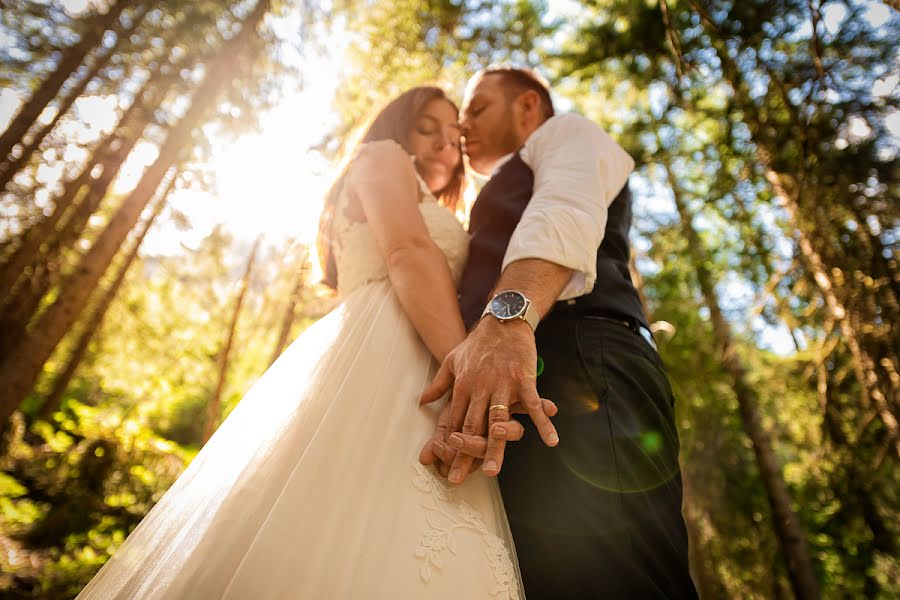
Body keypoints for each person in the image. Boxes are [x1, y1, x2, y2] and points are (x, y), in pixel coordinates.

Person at [76, 86, 544, 599]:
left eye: (453, 138)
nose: (442, 145)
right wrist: (464, 370)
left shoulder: (441, 205)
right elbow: (408, 251)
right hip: (385, 351)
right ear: (395, 129)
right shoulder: (381, 157)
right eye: (424, 127)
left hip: (423, 356)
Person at [419, 67, 699, 599]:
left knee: (618, 573)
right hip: (514, 379)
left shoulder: (567, 134)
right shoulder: (490, 200)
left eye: (476, 109)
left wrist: (506, 320)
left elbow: (562, 211)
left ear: (528, 106)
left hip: (585, 360)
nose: (462, 127)